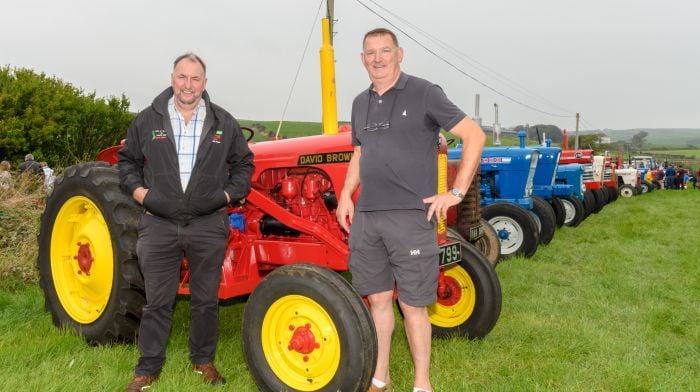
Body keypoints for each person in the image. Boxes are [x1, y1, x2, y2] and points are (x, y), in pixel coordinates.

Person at [336, 28, 485, 392]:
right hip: (368, 216)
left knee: (415, 306)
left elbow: (474, 135)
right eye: (370, 52)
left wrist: (456, 191)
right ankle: (379, 378)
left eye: (384, 50)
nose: (377, 58)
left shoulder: (424, 92)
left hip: (410, 216)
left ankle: (422, 385)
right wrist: (344, 195)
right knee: (378, 300)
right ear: (361, 59)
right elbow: (360, 152)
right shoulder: (359, 102)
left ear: (399, 54)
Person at [118, 53, 255, 391]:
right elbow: (127, 163)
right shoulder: (148, 121)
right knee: (157, 301)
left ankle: (203, 360)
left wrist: (225, 197)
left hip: (208, 224)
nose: (188, 85)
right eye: (182, 77)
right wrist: (143, 195)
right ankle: (148, 368)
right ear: (172, 79)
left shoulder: (223, 122)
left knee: (206, 300)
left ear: (204, 83)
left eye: (195, 79)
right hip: (159, 223)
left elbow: (244, 166)